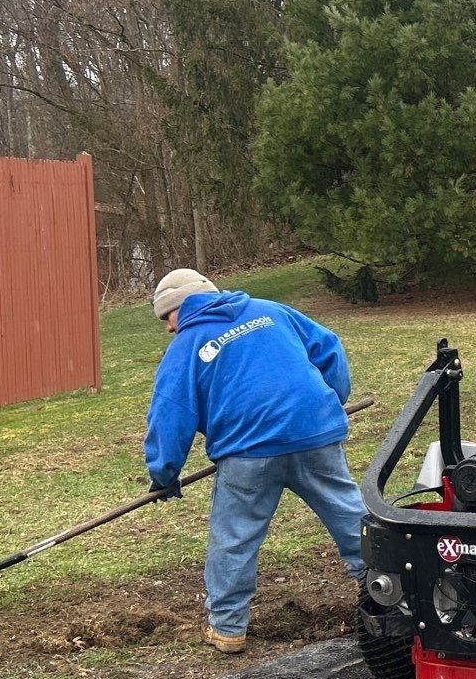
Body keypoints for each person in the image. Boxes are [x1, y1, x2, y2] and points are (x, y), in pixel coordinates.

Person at [144, 268, 367, 653]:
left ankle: (228, 628)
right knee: (350, 515)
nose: (168, 328)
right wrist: (331, 401)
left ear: (179, 309)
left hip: (249, 453)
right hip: (315, 434)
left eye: (166, 318)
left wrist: (163, 472)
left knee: (234, 538)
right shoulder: (272, 310)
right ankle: (390, 590)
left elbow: (170, 414)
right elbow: (328, 346)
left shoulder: (186, 345)